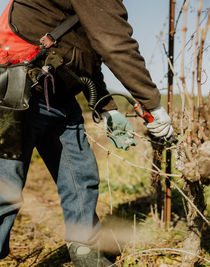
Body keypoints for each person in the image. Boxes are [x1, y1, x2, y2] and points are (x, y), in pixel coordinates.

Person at [0, 0, 174, 266]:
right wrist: (153, 105)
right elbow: (115, 44)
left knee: (81, 177)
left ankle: (86, 253)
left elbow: (83, 54)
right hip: (15, 92)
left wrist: (105, 106)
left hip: (56, 94)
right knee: (5, 189)